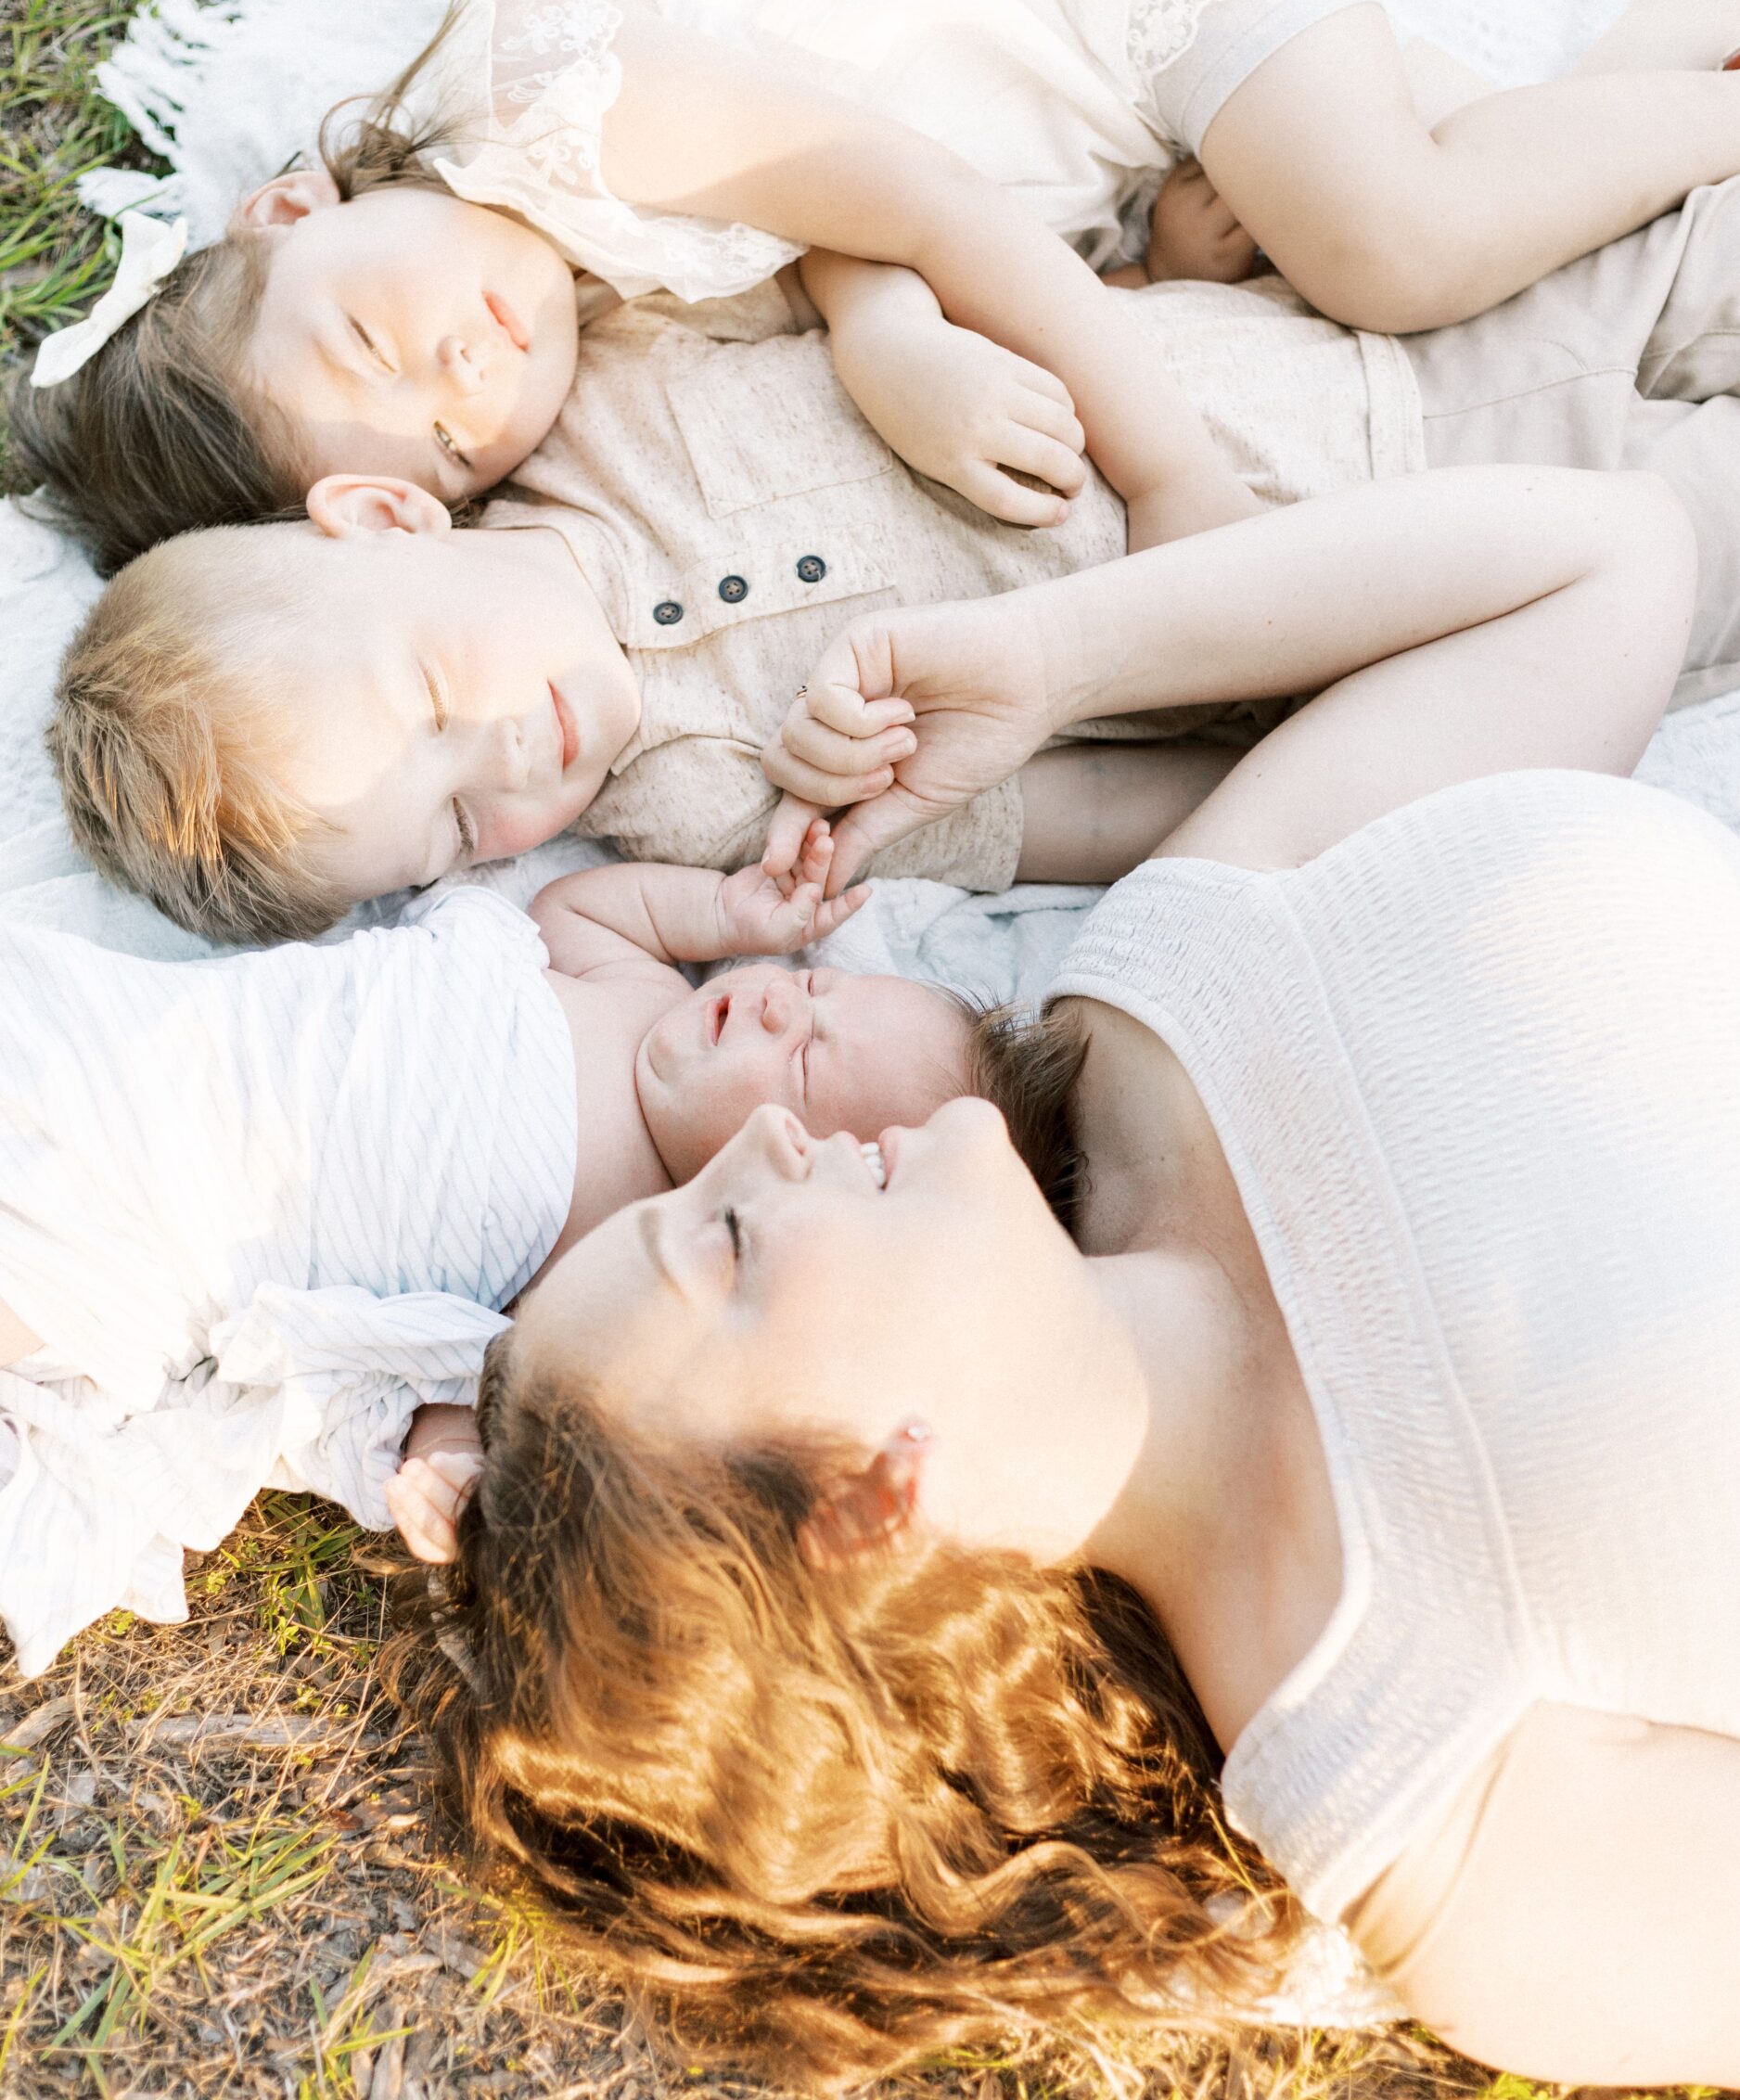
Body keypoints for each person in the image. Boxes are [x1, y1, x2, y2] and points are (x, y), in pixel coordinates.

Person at [389, 464, 1740, 2087]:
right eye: (727, 1244)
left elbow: (1599, 561)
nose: (745, 1150)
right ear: (871, 1512)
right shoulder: (1455, 1793)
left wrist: (1059, 657)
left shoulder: (1162, 1009)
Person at [21, 0, 1740, 569]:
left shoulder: (551, 100)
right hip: (1083, 75)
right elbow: (820, 227)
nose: (474, 369)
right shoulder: (551, 284)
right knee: (1521, 177)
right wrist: (1113, 279)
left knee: (1394, 246)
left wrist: (1173, 476)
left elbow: (902, 191)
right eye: (458, 446)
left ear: (288, 206)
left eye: (373, 335)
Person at [56, 168, 1740, 941]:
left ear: (386, 515)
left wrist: (893, 336)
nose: (505, 763)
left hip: (1344, 361)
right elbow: (1101, 820)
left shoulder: (585, 389)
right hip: (1454, 616)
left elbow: (831, 230)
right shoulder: (725, 811)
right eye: (447, 835)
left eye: (430, 692)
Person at [0, 839, 985, 1677]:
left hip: (180, 1218)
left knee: (49, 1263)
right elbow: (579, 906)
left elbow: (464, 1374)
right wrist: (723, 909)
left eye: (807, 1063)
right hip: (194, 1044)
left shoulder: (637, 1249)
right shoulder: (642, 993)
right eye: (817, 983)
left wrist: (451, 1469)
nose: (777, 1005)